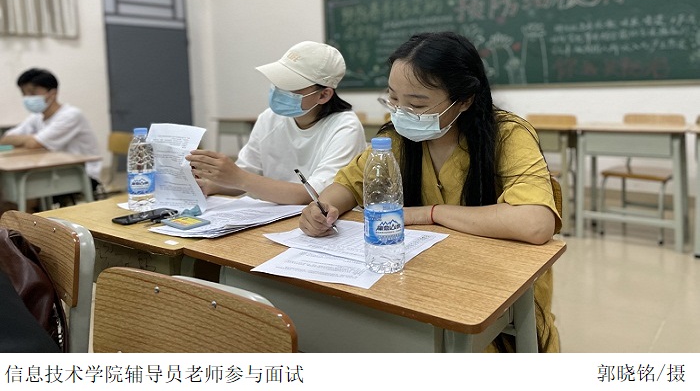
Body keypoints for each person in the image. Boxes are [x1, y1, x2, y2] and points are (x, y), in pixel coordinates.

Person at [299, 31, 562, 352]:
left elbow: (535, 223)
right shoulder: (396, 139)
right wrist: (323, 207)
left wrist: (431, 213)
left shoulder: (508, 135)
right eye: (393, 99)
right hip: (418, 284)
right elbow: (348, 184)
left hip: (494, 297)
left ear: (464, 99)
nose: (401, 113)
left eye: (417, 103)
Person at [186, 41, 367, 205]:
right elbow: (247, 175)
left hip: (312, 221)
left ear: (324, 95)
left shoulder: (345, 127)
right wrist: (211, 185)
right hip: (270, 216)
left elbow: (313, 194)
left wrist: (238, 177)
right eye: (278, 82)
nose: (279, 91)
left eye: (290, 86)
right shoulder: (269, 118)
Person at [0, 68, 103, 197]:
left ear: (52, 93)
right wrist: (31, 139)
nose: (27, 98)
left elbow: (33, 144)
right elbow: (5, 139)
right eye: (24, 93)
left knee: (20, 193)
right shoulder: (37, 117)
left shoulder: (71, 115)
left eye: (32, 93)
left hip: (80, 173)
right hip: (51, 170)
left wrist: (31, 140)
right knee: (7, 187)